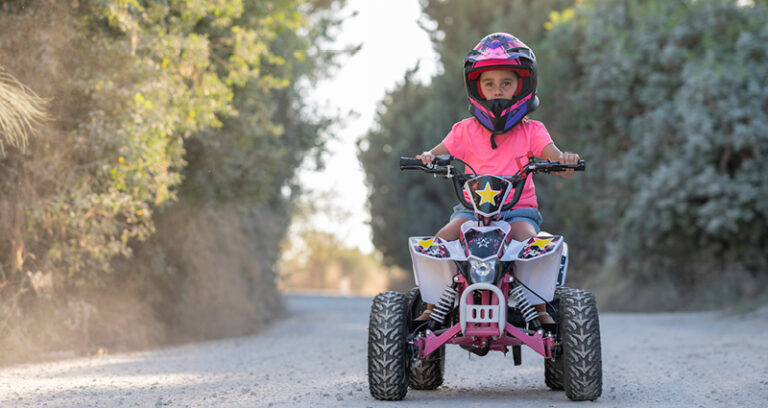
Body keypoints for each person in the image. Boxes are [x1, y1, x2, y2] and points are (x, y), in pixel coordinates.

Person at [413, 33, 581, 325]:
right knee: (441, 239)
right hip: (471, 211)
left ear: (522, 85)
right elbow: (437, 152)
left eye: (506, 83)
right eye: (489, 84)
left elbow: (554, 156)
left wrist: (564, 161)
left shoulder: (532, 131)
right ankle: (432, 306)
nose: (497, 90)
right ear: (477, 88)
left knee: (530, 243)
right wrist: (427, 157)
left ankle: (540, 310)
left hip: (517, 211)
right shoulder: (464, 130)